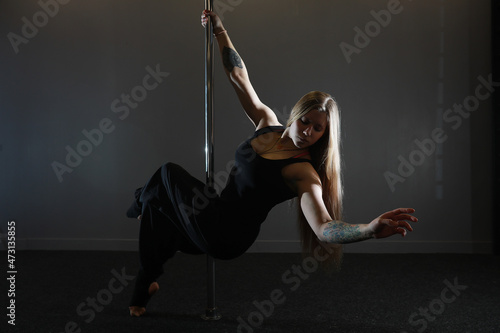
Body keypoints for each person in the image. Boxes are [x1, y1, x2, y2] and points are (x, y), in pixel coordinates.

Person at [125, 9, 418, 317]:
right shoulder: (266, 122)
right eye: (306, 121)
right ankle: (145, 285)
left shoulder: (303, 173)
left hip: (228, 235)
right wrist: (219, 31)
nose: (308, 132)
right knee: (158, 210)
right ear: (295, 114)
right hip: (211, 211)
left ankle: (138, 203)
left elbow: (324, 228)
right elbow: (238, 76)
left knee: (167, 175)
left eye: (318, 129)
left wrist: (369, 230)